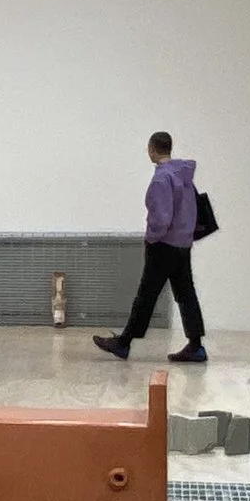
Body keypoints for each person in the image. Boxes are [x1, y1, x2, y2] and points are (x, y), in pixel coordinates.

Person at [93, 132, 208, 364]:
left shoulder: (162, 179)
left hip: (163, 245)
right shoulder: (184, 175)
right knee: (186, 294)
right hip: (183, 244)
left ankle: (123, 343)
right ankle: (196, 346)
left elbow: (162, 218)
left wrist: (152, 237)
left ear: (152, 149)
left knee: (146, 294)